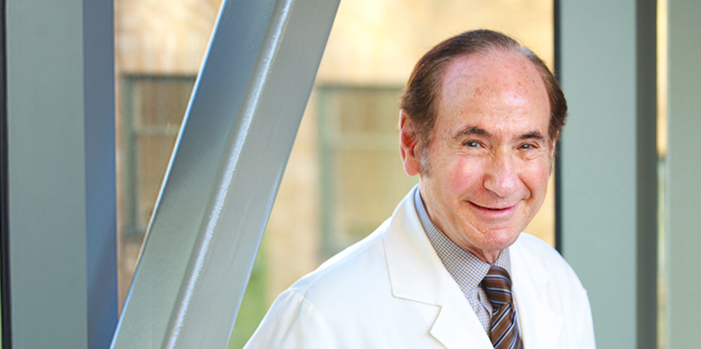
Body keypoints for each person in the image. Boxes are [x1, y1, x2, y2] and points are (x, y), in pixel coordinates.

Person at [244, 29, 595, 348]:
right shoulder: (318, 317)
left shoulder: (557, 281)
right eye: (474, 143)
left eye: (526, 146)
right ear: (412, 144)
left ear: (551, 149)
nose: (503, 183)